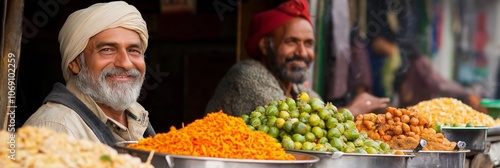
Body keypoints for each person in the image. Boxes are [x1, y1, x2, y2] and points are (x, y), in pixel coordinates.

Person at [205, 0, 389, 117]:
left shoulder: (298, 90)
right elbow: (290, 123)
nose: (302, 52)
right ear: (264, 45)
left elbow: (324, 118)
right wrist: (353, 110)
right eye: (292, 41)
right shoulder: (247, 75)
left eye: (308, 43)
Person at [24, 1, 155, 145]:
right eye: (107, 50)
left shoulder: (137, 116)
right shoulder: (54, 130)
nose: (125, 63)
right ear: (75, 63)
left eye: (133, 50)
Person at [371, 35, 484, 111]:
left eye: (380, 42)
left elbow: (440, 84)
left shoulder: (419, 63)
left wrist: (466, 94)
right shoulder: (388, 61)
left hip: (421, 110)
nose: (376, 46)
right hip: (407, 111)